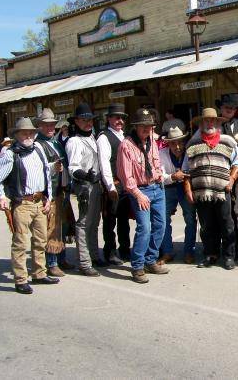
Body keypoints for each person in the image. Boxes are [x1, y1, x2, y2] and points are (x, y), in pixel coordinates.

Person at [0, 117, 58, 294]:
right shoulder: (10, 154)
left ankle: (39, 273)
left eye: (31, 132)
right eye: (24, 133)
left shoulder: (39, 150)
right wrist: (2, 196)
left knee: (41, 240)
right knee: (20, 242)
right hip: (22, 204)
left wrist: (48, 198)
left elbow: (45, 174)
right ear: (17, 135)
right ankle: (20, 279)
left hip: (39, 202)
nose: (28, 135)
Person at [182, 107, 238, 270]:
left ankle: (229, 256)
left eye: (213, 120)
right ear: (201, 124)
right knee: (206, 226)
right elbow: (186, 170)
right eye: (206, 120)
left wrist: (231, 179)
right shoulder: (192, 144)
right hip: (201, 193)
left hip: (222, 191)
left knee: (226, 224)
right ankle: (211, 255)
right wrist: (188, 190)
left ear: (217, 123)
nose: (209, 123)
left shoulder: (228, 141)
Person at [117, 108, 167, 284]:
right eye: (143, 126)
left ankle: (150, 260)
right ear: (136, 127)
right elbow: (126, 176)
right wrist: (138, 195)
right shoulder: (126, 145)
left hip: (157, 187)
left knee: (161, 225)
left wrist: (160, 174)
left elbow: (155, 161)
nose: (147, 129)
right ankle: (137, 266)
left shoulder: (152, 142)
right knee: (144, 227)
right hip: (140, 190)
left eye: (150, 126)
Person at [66, 102, 105, 277]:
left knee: (94, 223)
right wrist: (85, 175)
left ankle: (94, 255)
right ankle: (84, 262)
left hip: (96, 185)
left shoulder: (92, 137)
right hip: (85, 186)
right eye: (84, 120)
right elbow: (73, 167)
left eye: (90, 119)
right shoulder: (74, 141)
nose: (88, 123)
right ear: (76, 121)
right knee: (83, 224)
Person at [36, 108, 74, 277]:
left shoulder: (56, 142)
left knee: (64, 226)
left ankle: (61, 258)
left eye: (52, 124)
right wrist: (52, 168)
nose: (50, 127)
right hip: (50, 192)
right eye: (46, 125)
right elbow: (37, 170)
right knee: (52, 228)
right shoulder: (38, 145)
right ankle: (51, 262)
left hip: (63, 189)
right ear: (39, 126)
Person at [97, 103, 131, 265]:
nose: (119, 120)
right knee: (110, 220)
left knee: (124, 219)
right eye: (116, 117)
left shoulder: (124, 136)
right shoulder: (104, 137)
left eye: (122, 118)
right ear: (109, 118)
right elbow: (104, 163)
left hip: (125, 184)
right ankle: (110, 251)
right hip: (113, 183)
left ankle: (125, 249)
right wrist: (110, 186)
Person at [158, 126, 197, 264]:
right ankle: (167, 251)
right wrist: (172, 177)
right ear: (168, 143)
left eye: (180, 142)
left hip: (186, 186)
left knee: (190, 218)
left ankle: (189, 251)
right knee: (163, 219)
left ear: (184, 142)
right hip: (169, 187)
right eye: (173, 143)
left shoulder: (190, 153)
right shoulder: (161, 153)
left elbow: (194, 171)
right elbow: (160, 176)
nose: (177, 146)